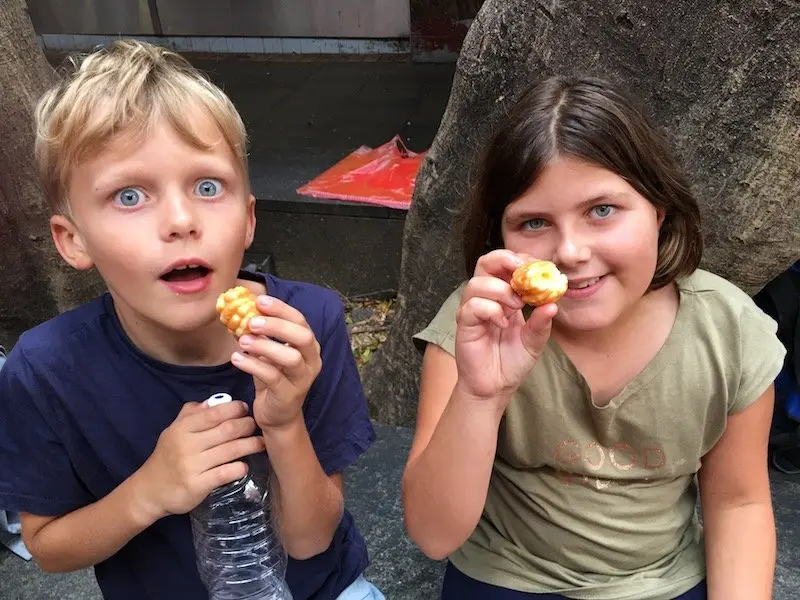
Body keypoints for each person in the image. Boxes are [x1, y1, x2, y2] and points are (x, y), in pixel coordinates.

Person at [0, 40, 383, 600]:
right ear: (73, 239)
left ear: (248, 219)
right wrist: (151, 490)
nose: (181, 221)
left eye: (207, 187)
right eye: (129, 195)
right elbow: (49, 547)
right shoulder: (47, 370)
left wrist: (283, 423)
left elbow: (311, 539)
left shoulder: (306, 325)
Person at [402, 75, 785, 600]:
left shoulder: (728, 334)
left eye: (602, 211)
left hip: (662, 579)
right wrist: (480, 395)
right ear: (501, 237)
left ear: (659, 208)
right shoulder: (478, 326)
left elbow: (738, 503)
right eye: (534, 222)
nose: (571, 252)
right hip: (507, 572)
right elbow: (432, 534)